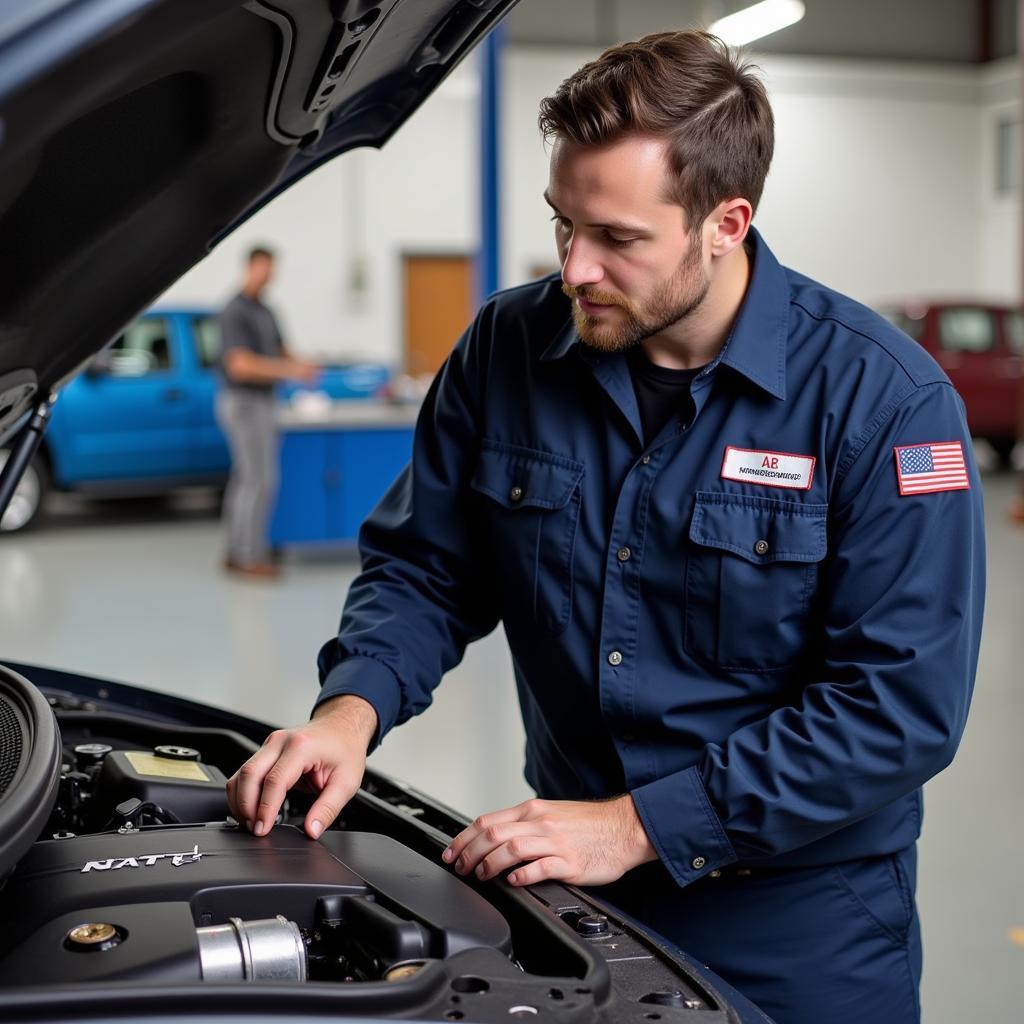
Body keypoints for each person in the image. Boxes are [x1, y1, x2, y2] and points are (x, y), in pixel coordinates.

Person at [226, 32, 985, 1023]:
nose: (575, 268)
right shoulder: (507, 348)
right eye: (561, 224)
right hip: (576, 895)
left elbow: (898, 704)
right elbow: (427, 565)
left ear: (727, 222)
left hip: (802, 921)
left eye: (617, 238)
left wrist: (635, 826)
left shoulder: (882, 403)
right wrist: (350, 709)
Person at [216, 246, 318, 578]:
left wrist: (304, 365)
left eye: (273, 270)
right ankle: (248, 557)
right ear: (249, 267)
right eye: (264, 269)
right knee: (260, 479)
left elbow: (283, 349)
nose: (269, 276)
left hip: (263, 402)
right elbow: (240, 366)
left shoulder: (266, 311)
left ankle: (235, 551)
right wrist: (289, 371)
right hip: (245, 403)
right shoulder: (234, 311)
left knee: (245, 478)